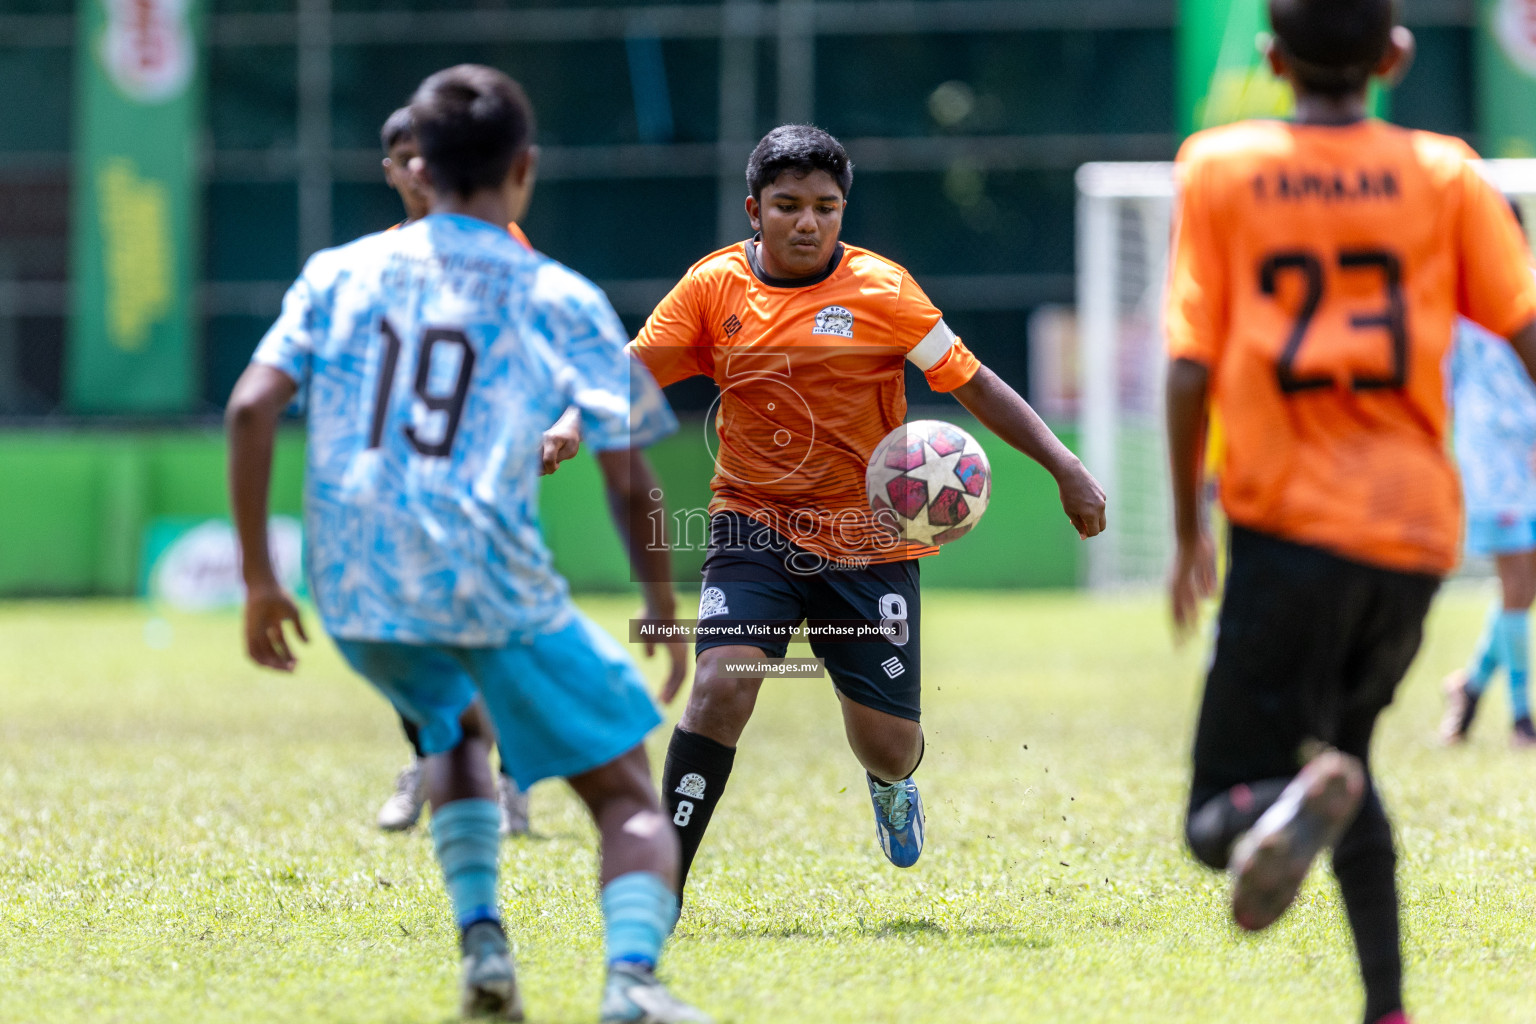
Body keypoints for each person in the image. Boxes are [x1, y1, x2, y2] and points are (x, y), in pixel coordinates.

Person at [226, 64, 707, 1023]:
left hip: (354, 590)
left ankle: (484, 941)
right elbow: (624, 467)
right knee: (627, 794)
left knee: (449, 721)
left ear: (421, 165)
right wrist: (659, 605)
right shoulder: (556, 294)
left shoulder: (337, 272)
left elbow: (249, 407)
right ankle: (633, 986)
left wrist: (259, 582)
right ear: (523, 169)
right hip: (481, 575)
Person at [610, 123, 1105, 895]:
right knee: (720, 687)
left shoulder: (883, 290)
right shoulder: (714, 287)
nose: (807, 222)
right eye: (787, 206)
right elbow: (631, 374)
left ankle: (892, 785)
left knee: (886, 743)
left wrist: (1063, 465)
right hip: (753, 522)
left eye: (825, 206)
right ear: (754, 209)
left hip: (868, 540)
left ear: (843, 211)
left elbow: (971, 382)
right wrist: (568, 419)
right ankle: (659, 884)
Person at [1163, 3, 1536, 1023]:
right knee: (1348, 760)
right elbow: (1527, 329)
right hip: (1415, 533)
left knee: (1214, 815)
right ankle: (1388, 1010)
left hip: (1287, 524)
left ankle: (1275, 811)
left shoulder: (1220, 167)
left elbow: (1191, 363)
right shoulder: (1449, 172)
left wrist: (1192, 528)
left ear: (1274, 59)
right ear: (1397, 55)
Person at [372, 108, 687, 835]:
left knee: (493, 630)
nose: (419, 170)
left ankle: (512, 776)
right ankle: (435, 761)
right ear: (393, 172)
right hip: (408, 483)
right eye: (404, 159)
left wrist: (551, 426)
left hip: (491, 481)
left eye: (430, 155)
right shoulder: (376, 262)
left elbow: (540, 357)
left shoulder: (506, 251)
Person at [1441, 200, 1536, 748]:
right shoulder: (1454, 304)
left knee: (1526, 585)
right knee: (1517, 581)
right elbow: (1445, 383)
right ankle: (1523, 718)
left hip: (1529, 452)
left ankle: (1470, 684)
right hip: (1492, 461)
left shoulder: (1523, 290)